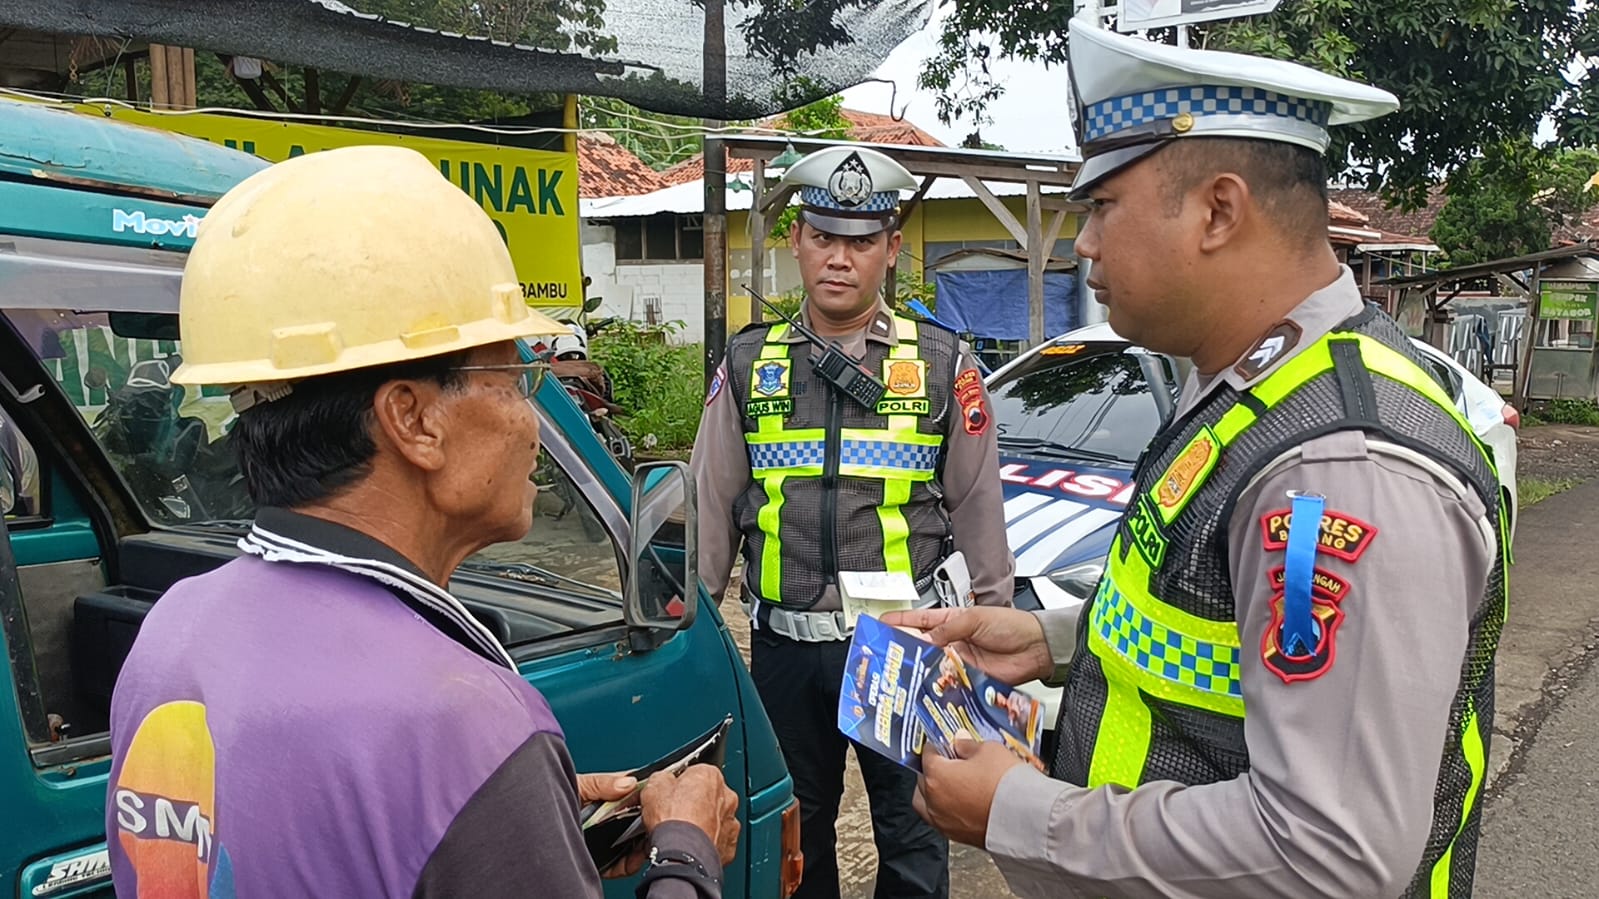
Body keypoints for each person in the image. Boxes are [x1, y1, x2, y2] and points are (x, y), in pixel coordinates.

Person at [885, 18, 1509, 899]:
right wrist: (1048, 639)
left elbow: (1328, 851)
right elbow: (1223, 619)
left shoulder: (1340, 469)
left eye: (1102, 207)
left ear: (1218, 210)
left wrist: (1019, 813)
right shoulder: (1244, 388)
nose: (1085, 247)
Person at [105, 145, 737, 898]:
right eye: (514, 378)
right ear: (412, 419)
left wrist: (511, 834)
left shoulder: (175, 628)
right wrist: (684, 852)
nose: (531, 422)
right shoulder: (463, 726)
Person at [693, 145, 1016, 899]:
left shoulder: (941, 362)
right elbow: (711, 504)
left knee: (912, 831)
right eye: (824, 237)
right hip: (782, 648)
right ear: (796, 241)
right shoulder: (748, 364)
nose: (840, 259)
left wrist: (995, 630)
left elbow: (977, 507)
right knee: (795, 833)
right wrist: (693, 629)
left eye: (862, 240)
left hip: (901, 640)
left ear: (891, 250)